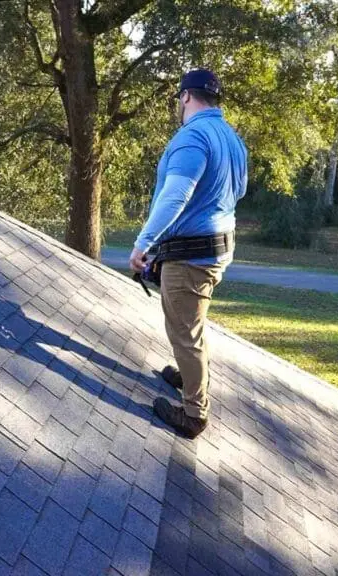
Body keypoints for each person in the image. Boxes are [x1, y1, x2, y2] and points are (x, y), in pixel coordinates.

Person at [129, 68, 248, 439]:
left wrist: (143, 243)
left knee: (185, 332)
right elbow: (239, 191)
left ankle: (195, 413)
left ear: (184, 97)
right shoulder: (231, 138)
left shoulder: (193, 136)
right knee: (192, 326)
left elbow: (176, 195)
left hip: (191, 257)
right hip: (216, 249)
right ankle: (188, 374)